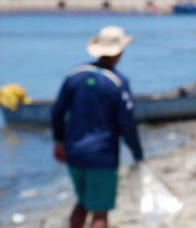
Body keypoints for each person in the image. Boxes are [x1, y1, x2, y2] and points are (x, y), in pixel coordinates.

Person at [51, 25, 143, 228]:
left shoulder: (74, 75)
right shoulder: (117, 82)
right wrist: (137, 154)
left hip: (74, 151)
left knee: (83, 201)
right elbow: (127, 124)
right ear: (119, 53)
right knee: (100, 212)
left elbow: (57, 112)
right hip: (102, 154)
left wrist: (59, 142)